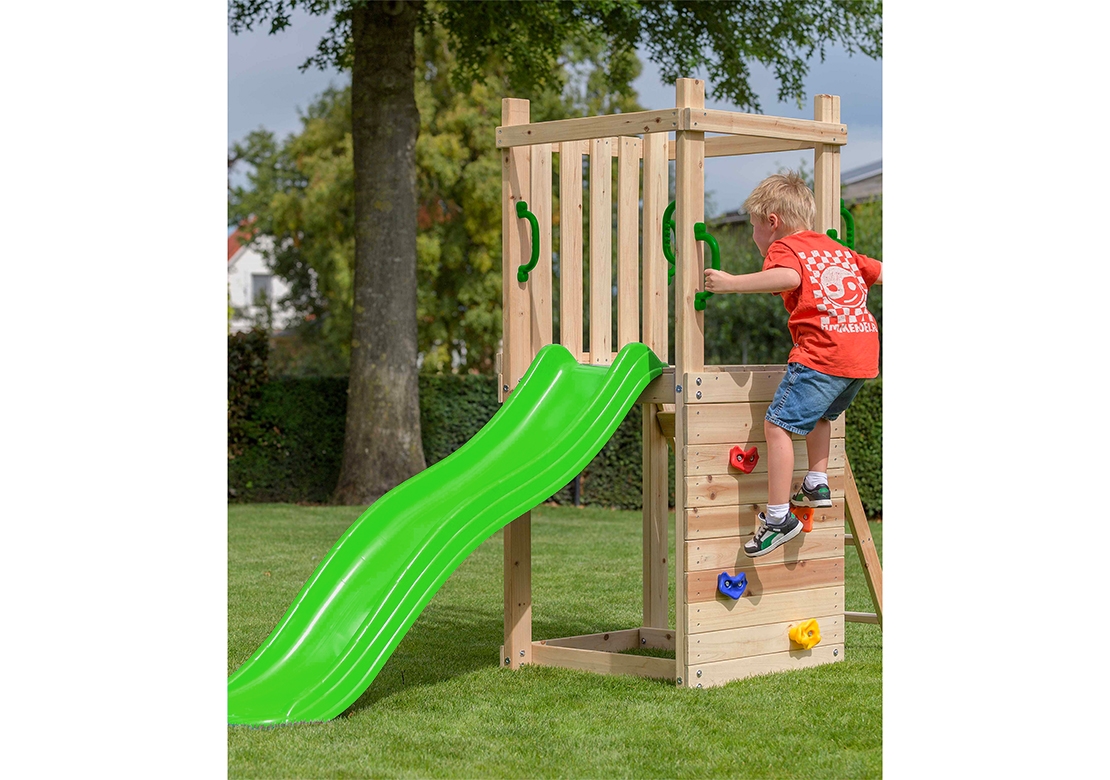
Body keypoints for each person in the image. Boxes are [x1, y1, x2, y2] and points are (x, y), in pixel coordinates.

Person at [703, 171, 882, 558]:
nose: (754, 236)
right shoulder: (838, 249)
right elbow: (881, 272)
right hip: (863, 354)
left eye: (753, 227)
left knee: (777, 426)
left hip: (823, 352)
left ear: (772, 221)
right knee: (819, 416)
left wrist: (731, 283)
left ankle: (778, 518)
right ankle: (816, 480)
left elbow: (785, 277)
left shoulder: (786, 247)